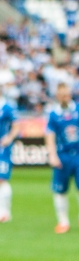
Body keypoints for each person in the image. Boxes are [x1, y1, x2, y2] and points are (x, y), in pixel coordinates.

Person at [46, 82, 79, 234]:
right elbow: (50, 135)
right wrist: (52, 155)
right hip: (63, 156)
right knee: (60, 190)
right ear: (58, 96)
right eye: (62, 95)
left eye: (67, 94)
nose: (65, 97)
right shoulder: (53, 114)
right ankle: (63, 221)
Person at [0, 94, 20, 223]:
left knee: (2, 179)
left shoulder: (7, 107)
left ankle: (5, 212)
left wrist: (9, 138)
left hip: (2, 148)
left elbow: (16, 125)